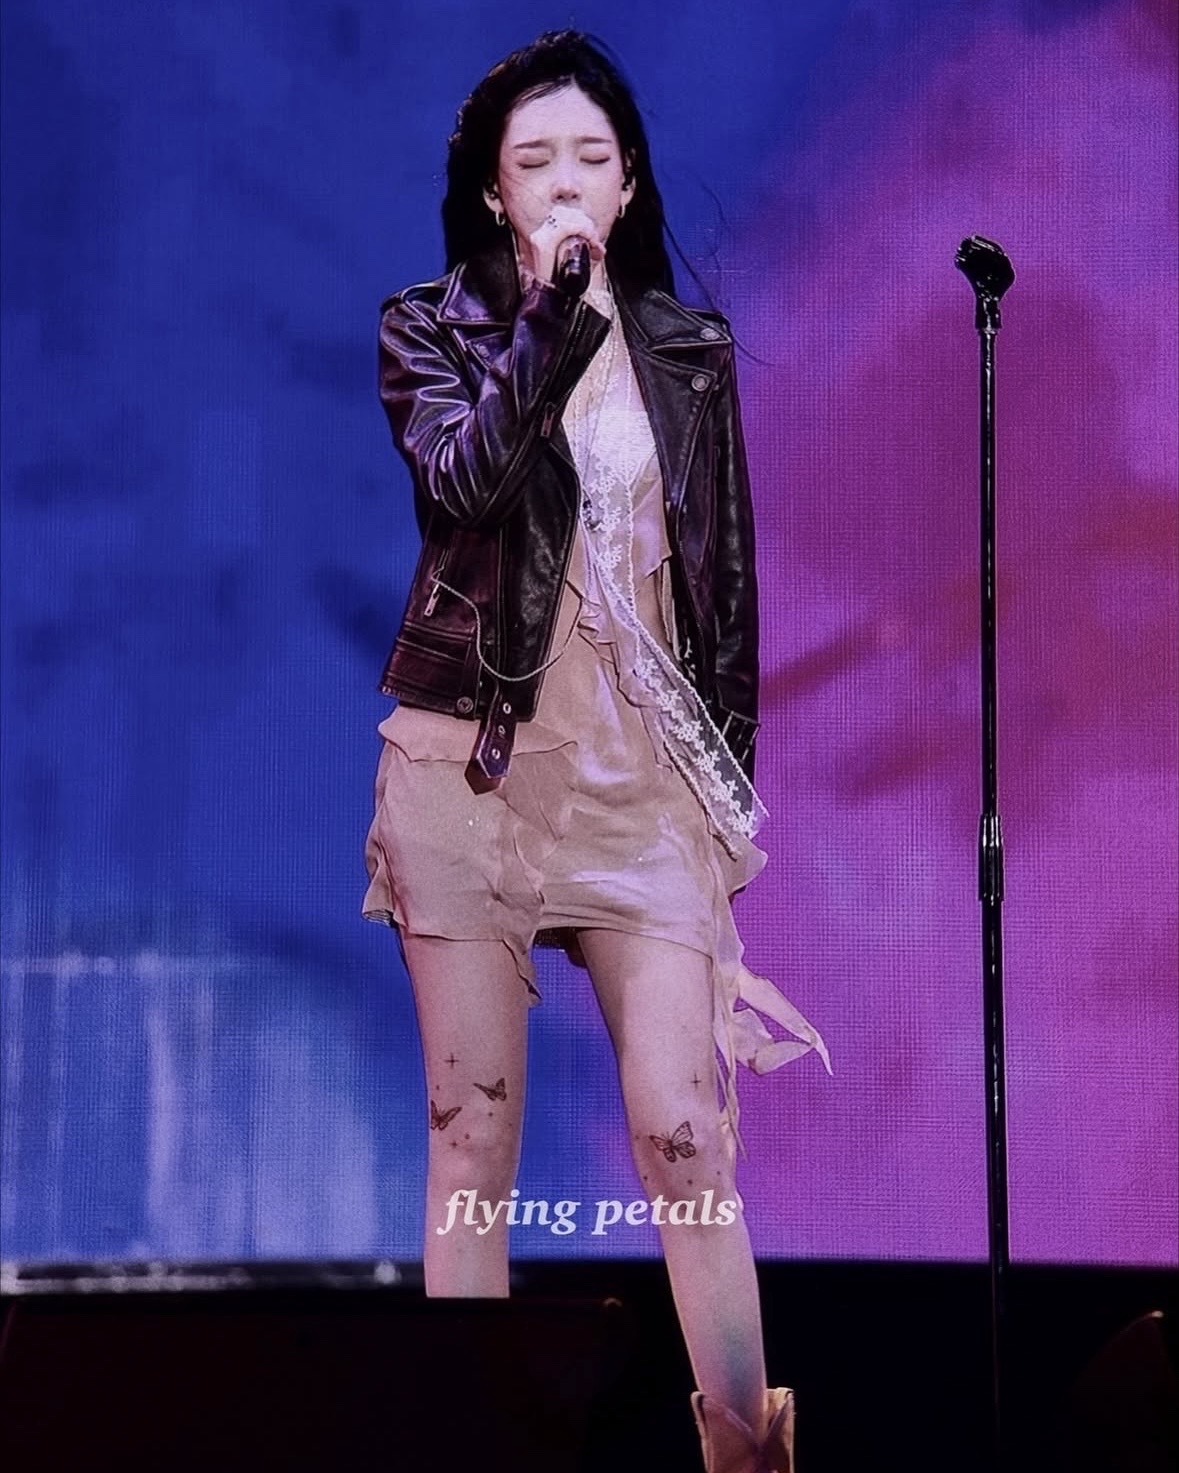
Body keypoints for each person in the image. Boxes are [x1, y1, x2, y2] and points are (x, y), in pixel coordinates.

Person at [362, 30, 830, 1473]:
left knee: (686, 1132)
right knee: (472, 1126)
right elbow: (467, 480)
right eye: (534, 162)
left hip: (641, 789)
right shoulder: (430, 333)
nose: (564, 180)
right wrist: (554, 321)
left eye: (589, 157)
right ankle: (474, 1446)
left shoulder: (690, 355)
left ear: (627, 184)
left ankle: (748, 1454)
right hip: (473, 768)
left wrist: (724, 799)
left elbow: (726, 592)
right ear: (495, 194)